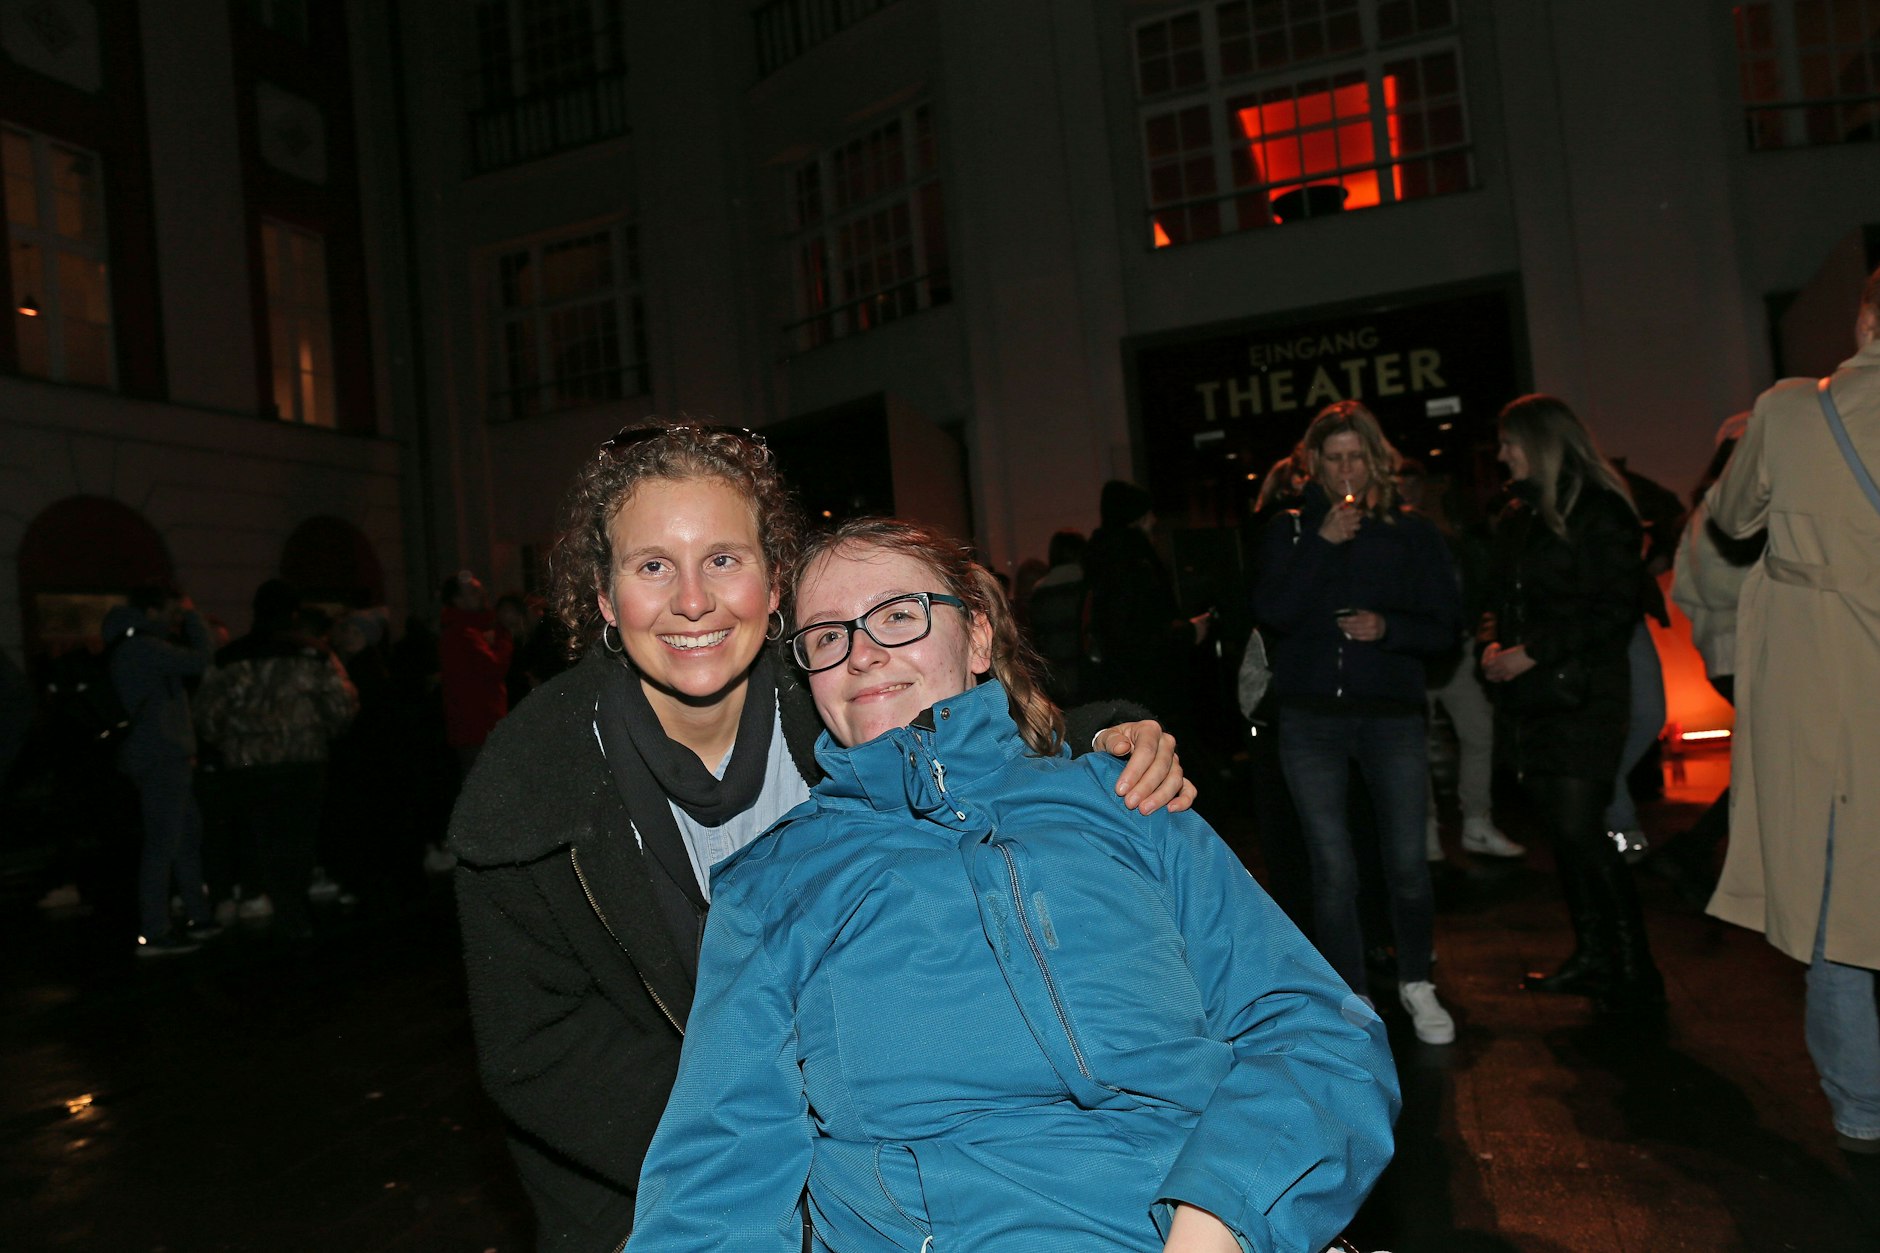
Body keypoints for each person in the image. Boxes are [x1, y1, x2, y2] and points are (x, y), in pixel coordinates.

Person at [447, 422, 1194, 1250]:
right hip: (646, 1183)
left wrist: (1114, 735)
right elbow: (539, 1054)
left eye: (724, 559)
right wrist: (792, 1143)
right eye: (652, 565)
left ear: (775, 586)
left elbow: (976, 747)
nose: (692, 600)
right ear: (603, 600)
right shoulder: (528, 792)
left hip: (893, 1162)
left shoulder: (837, 694)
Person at [629, 517, 1398, 1253]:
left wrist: (1222, 1217)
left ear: (978, 637)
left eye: (898, 614)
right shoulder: (775, 886)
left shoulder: (1128, 803)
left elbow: (1318, 1032)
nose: (861, 653)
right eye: (828, 636)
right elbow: (719, 1174)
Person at [1705, 266, 1880, 1155]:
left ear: (1865, 314)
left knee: (1836, 897)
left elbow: (1733, 519)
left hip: (1831, 687)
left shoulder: (1789, 409)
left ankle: (1862, 1104)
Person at [1251, 401, 1463, 1044]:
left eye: (1355, 457)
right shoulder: (1291, 531)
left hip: (1390, 713)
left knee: (1405, 860)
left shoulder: (1411, 532)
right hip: (1311, 716)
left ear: (1376, 461)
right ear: (1313, 465)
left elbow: (1444, 628)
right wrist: (1321, 544)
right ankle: (1354, 994)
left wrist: (1388, 629)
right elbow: (1273, 612)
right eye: (1332, 458)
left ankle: (1417, 980)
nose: (1345, 469)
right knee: (1333, 866)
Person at [1480, 394, 1664, 1015]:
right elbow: (1506, 600)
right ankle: (1596, 958)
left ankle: (1634, 970)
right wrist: (1493, 642)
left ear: (1539, 442)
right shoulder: (1520, 515)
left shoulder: (1599, 509)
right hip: (1538, 698)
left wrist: (1533, 651)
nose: (1502, 453)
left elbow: (1615, 608)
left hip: (1584, 695)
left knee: (1581, 830)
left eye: (1509, 441)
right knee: (1565, 833)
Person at [193, 579, 359, 941]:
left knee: (263, 837)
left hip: (249, 766)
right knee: (298, 839)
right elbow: (342, 707)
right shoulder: (315, 654)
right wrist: (319, 733)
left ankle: (281, 910)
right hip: (304, 761)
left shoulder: (229, 657)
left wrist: (233, 740)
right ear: (294, 613)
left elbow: (206, 716)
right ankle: (293, 911)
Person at [105, 586, 220, 956]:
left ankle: (198, 917)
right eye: (173, 611)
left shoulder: (135, 647)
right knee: (164, 843)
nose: (177, 619)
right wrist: (193, 618)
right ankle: (154, 932)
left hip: (159, 755)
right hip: (160, 758)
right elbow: (204, 659)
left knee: (185, 835)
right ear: (152, 611)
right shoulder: (145, 648)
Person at [1083, 479, 1211, 732]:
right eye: (1148, 513)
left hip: (1119, 690)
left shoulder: (1101, 559)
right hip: (1149, 692)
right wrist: (1187, 632)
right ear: (1136, 518)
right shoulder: (1134, 562)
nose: (1154, 520)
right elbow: (1138, 634)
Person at [439, 570, 512, 778]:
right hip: (478, 729)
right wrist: (503, 639)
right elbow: (494, 667)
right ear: (457, 599)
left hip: (478, 728)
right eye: (473, 592)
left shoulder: (470, 630)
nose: (481, 595)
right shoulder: (463, 633)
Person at [1024, 527, 1088, 705]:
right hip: (1083, 672)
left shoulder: (1039, 591)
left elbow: (1035, 637)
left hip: (1052, 675)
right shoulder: (1087, 586)